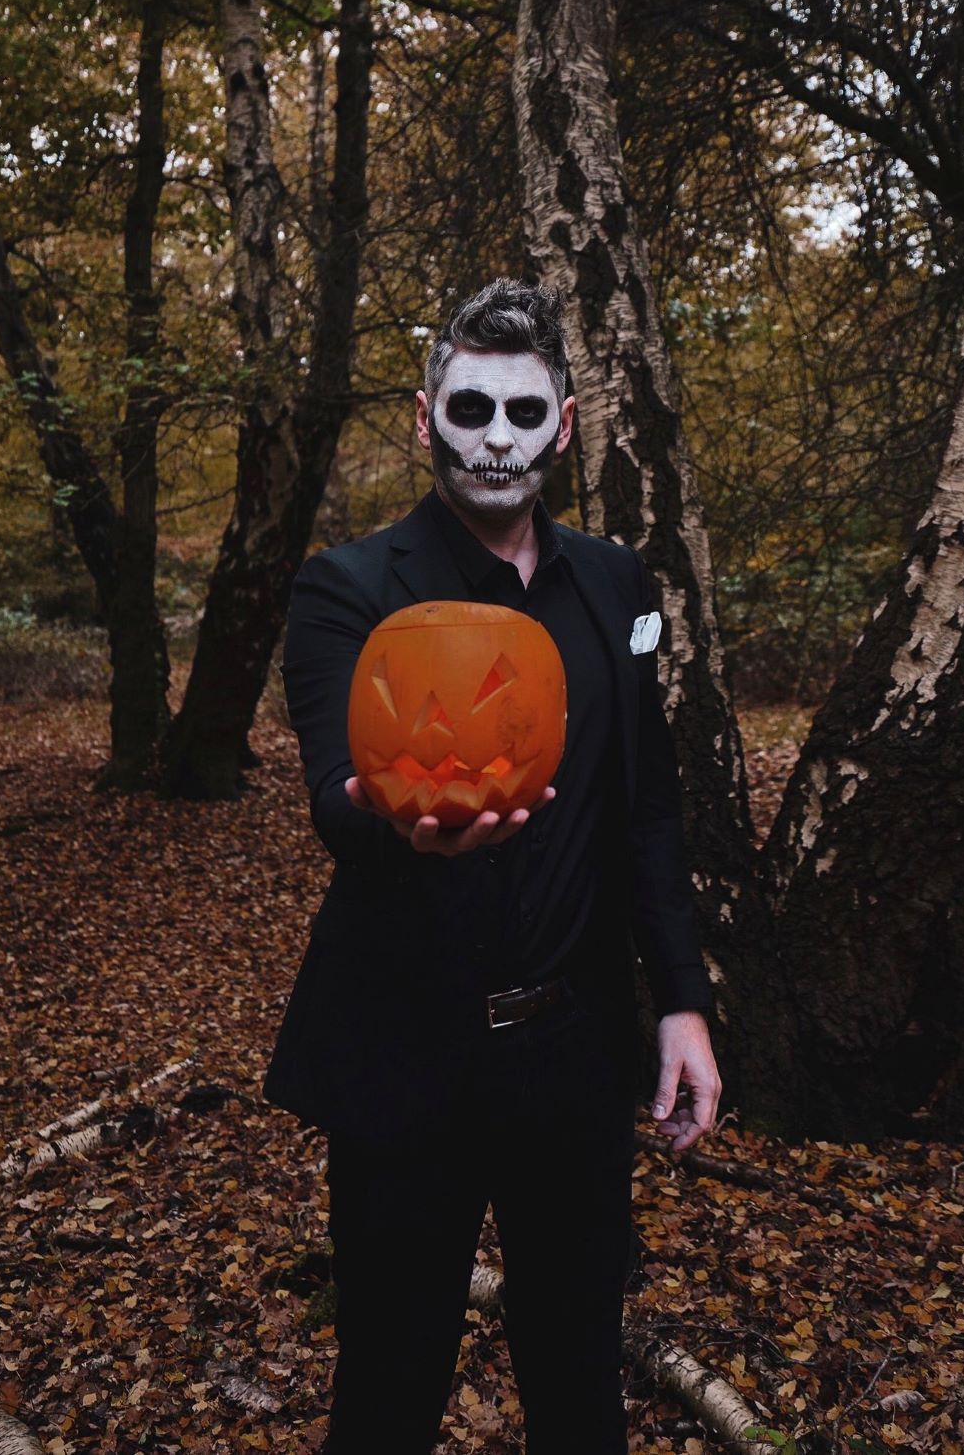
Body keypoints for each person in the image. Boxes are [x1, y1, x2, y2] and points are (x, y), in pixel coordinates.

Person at [263, 278, 722, 1454]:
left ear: (563, 423)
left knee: (577, 1372)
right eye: (471, 408)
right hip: (404, 1048)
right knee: (387, 1382)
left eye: (525, 414)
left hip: (569, 1054)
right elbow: (336, 790)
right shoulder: (347, 590)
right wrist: (392, 826)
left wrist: (680, 999)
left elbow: (646, 809)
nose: (496, 439)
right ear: (427, 420)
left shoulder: (616, 586)